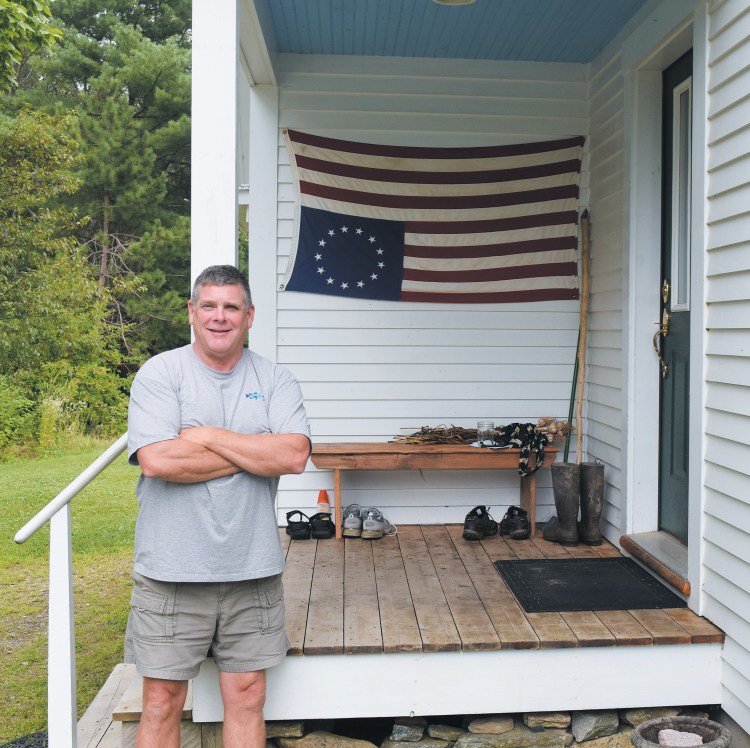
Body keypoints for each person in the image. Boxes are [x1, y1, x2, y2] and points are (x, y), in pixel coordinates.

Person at [125, 265, 311, 748]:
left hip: (251, 569)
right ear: (191, 312)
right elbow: (158, 460)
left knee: (247, 696)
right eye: (208, 305)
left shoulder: (275, 378)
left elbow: (292, 455)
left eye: (231, 307)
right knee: (162, 701)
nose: (219, 317)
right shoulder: (161, 373)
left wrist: (206, 437)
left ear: (249, 316)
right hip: (171, 571)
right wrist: (255, 451)